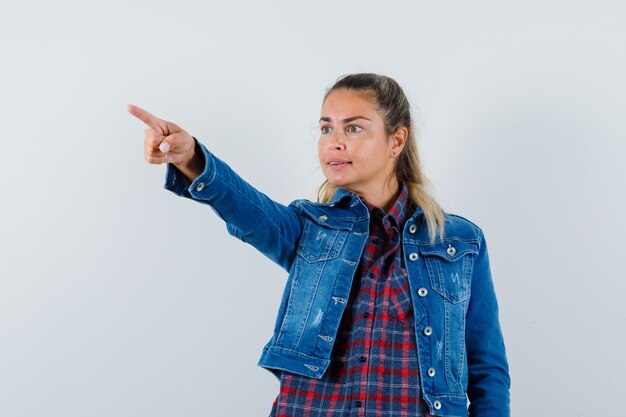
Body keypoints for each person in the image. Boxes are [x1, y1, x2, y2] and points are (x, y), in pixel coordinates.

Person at [128, 73, 511, 417]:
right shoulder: (309, 227)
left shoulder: (459, 242)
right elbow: (246, 209)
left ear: (397, 139)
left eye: (354, 129)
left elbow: (486, 368)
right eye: (326, 129)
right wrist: (191, 157)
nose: (335, 143)